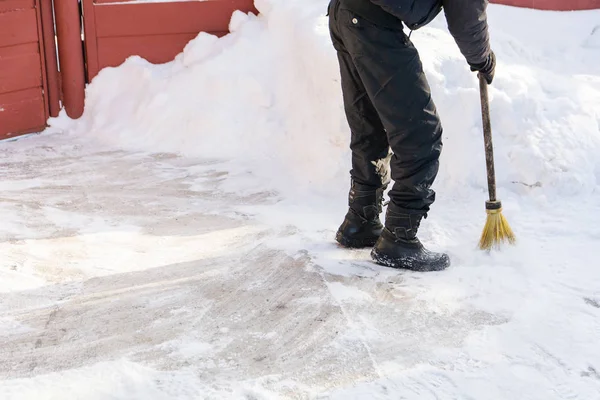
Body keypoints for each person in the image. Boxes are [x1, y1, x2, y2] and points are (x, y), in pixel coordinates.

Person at [328, 0, 496, 271]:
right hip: (370, 22)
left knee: (370, 124)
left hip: (346, 12)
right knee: (420, 134)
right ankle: (399, 239)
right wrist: (482, 58)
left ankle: (361, 220)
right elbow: (465, 12)